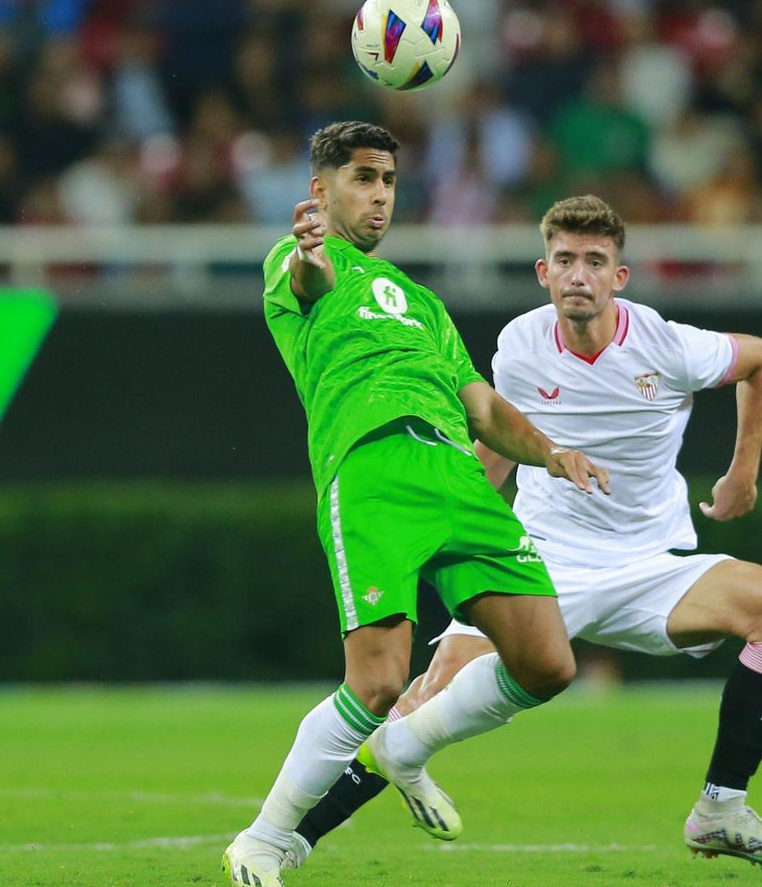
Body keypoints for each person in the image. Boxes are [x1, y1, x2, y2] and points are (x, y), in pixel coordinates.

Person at [286, 195, 762, 871]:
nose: (579, 275)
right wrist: (435, 527)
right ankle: (292, 841)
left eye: (596, 261)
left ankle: (719, 811)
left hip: (649, 564)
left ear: (619, 277)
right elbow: (501, 450)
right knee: (418, 704)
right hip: (540, 561)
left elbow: (761, 359)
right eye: (565, 259)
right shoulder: (522, 345)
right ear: (543, 271)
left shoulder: (667, 344)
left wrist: (743, 473)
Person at [222, 122, 611, 887]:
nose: (379, 195)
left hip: (457, 475)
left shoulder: (425, 304)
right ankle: (264, 840)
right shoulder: (302, 261)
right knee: (375, 682)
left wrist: (551, 452)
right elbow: (310, 284)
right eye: (363, 178)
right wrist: (306, 253)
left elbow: (483, 408)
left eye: (389, 181)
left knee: (547, 662)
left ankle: (406, 747)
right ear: (320, 191)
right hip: (373, 470)